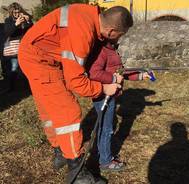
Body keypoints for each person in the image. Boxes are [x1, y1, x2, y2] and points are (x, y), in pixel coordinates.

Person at [18, 4, 133, 183]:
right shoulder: (83, 32)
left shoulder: (89, 15)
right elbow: (76, 82)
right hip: (38, 59)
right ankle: (77, 170)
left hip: (39, 53)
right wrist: (103, 88)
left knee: (51, 107)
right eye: (121, 35)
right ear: (111, 31)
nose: (119, 39)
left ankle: (61, 152)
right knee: (68, 111)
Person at [87, 40, 152, 172]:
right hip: (103, 96)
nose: (121, 37)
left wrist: (140, 75)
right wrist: (113, 79)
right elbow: (94, 73)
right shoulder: (102, 51)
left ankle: (102, 155)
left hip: (111, 96)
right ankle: (105, 161)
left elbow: (121, 72)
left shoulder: (112, 50)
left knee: (104, 128)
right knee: (107, 129)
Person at [4, 2, 33, 91]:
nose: (16, 14)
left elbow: (31, 31)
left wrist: (28, 21)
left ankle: (29, 88)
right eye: (14, 12)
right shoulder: (8, 20)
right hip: (14, 48)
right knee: (14, 67)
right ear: (11, 12)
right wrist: (16, 24)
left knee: (27, 67)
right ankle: (11, 88)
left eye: (18, 12)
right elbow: (8, 33)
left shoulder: (24, 20)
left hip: (24, 46)